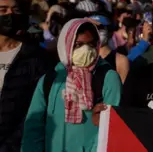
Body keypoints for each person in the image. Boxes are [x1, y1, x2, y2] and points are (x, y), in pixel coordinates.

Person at [22, 19, 122, 152]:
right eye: (78, 45)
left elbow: (113, 131)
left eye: (91, 44)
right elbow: (33, 128)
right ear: (66, 45)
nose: (86, 50)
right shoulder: (51, 79)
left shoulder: (108, 77)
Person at [0, 0, 48, 151]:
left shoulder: (34, 57)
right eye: (3, 10)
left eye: (15, 10)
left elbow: (35, 108)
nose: (9, 15)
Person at [89, 15, 130, 83]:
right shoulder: (82, 58)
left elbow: (122, 91)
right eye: (92, 28)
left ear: (110, 32)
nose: (96, 31)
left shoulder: (120, 60)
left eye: (100, 28)